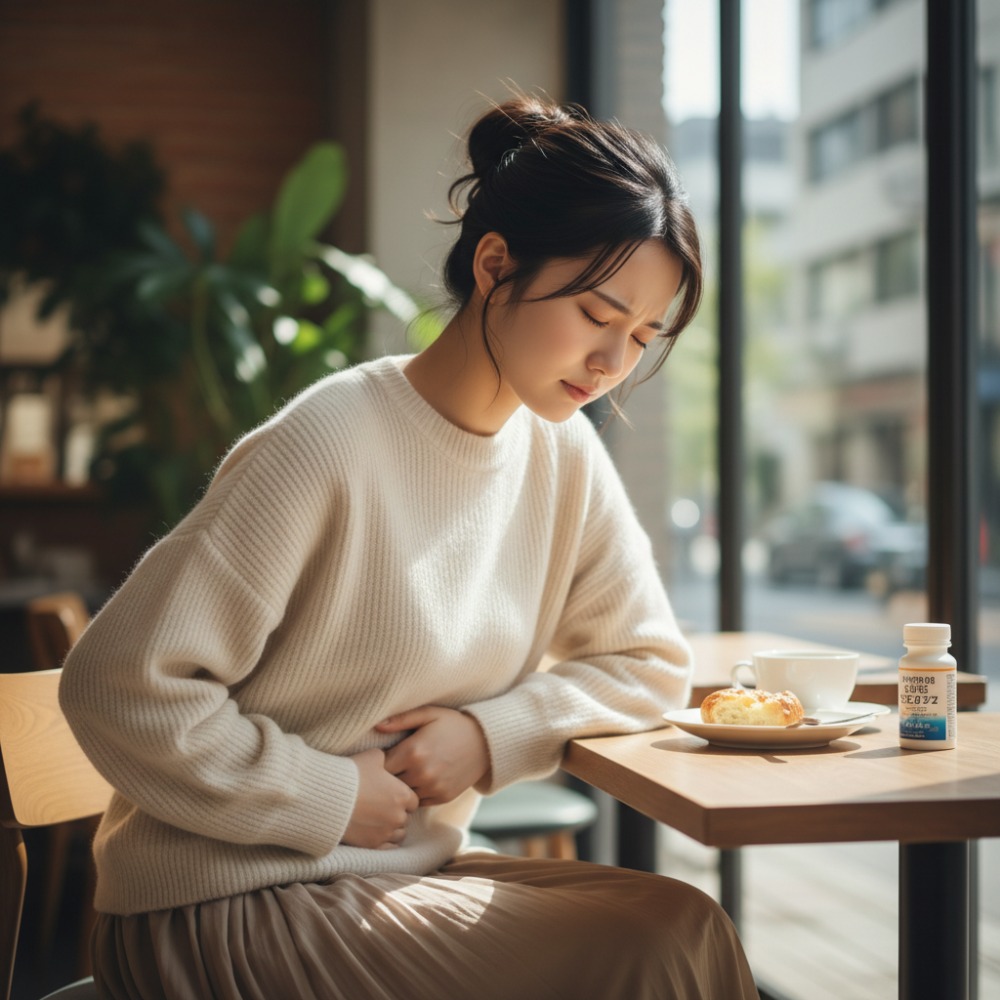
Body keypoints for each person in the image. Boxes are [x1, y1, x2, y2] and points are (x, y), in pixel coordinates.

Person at [60, 94, 759, 999]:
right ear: (496, 265)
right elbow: (117, 685)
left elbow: (648, 664)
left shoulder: (561, 455)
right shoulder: (328, 440)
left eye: (640, 337)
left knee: (689, 925)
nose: (612, 363)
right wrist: (325, 793)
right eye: (597, 313)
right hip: (221, 900)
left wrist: (489, 734)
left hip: (398, 876)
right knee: (647, 953)